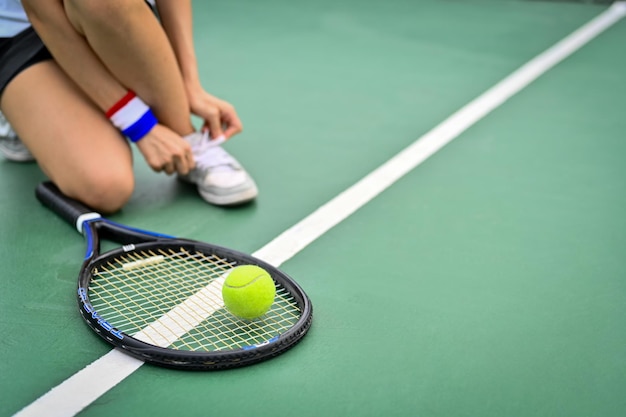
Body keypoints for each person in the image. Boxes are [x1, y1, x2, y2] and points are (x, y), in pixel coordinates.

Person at [0, 0, 258, 212]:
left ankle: (188, 141)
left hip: (106, 11)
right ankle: (21, 118)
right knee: (105, 187)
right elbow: (43, 15)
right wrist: (139, 125)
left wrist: (190, 84)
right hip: (17, 35)